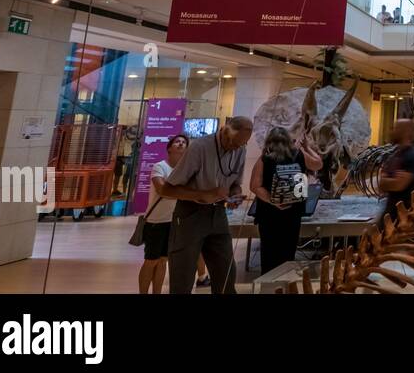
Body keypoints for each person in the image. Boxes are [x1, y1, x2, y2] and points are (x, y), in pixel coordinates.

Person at [160, 115, 253, 294]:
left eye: (242, 144)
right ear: (225, 132)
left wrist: (234, 194)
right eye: (235, 143)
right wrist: (203, 195)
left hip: (218, 214)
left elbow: (235, 183)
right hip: (190, 215)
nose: (237, 148)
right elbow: (167, 190)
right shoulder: (200, 147)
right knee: (183, 277)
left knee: (226, 274)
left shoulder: (240, 149)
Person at [249, 126, 323, 275]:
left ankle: (268, 287)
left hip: (269, 215)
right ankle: (284, 286)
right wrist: (307, 147)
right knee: (288, 254)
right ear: (289, 141)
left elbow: (254, 186)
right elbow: (318, 163)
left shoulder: (265, 158)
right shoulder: (299, 154)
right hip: (293, 213)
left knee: (269, 254)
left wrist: (274, 201)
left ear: (269, 141)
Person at [138, 133, 188, 294]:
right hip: (155, 222)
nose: (180, 144)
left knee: (163, 261)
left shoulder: (185, 171)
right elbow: (162, 190)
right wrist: (184, 193)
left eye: (183, 142)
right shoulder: (160, 166)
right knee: (151, 260)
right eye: (177, 142)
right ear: (169, 148)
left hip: (172, 222)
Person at [378, 120, 414, 223]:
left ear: (405, 131)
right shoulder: (395, 155)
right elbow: (381, 185)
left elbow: (398, 185)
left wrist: (387, 180)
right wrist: (389, 181)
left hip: (403, 217)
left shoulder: (412, 156)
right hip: (390, 213)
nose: (392, 131)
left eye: (396, 128)